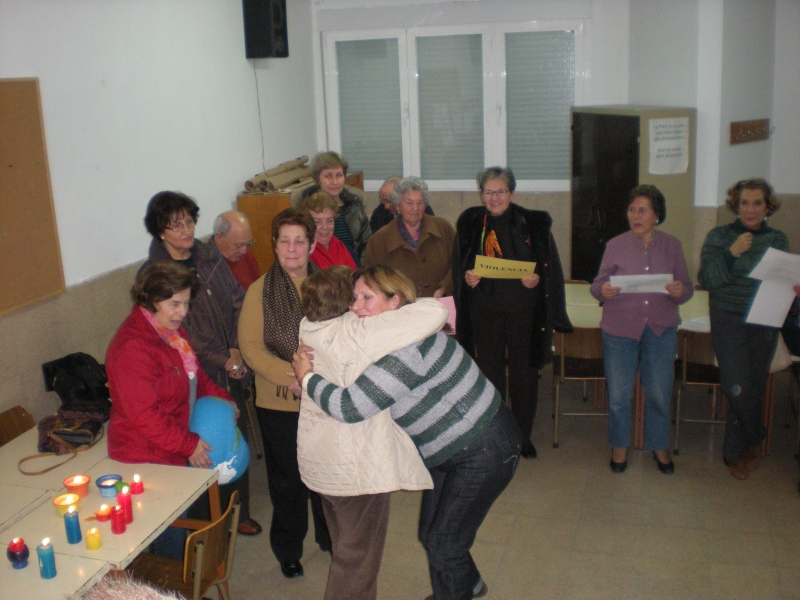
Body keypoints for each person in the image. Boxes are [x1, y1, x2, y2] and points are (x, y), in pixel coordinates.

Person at [293, 265, 523, 600]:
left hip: (484, 447)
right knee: (432, 533)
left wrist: (307, 378)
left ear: (395, 301)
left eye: (367, 297)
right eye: (354, 297)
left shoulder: (405, 350)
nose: (356, 306)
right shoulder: (383, 339)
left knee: (444, 543)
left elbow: (350, 406)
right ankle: (467, 584)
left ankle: (455, 592)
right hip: (450, 451)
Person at [297, 266, 448, 600]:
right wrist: (400, 304)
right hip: (355, 470)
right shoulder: (357, 332)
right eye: (355, 297)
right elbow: (436, 311)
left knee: (344, 547)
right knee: (357, 562)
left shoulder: (307, 327)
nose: (358, 305)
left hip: (320, 463)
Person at [142, 191, 261, 536]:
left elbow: (237, 299)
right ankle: (207, 525)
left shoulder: (208, 255)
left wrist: (237, 347)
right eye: (176, 225)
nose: (186, 230)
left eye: (189, 222)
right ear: (160, 231)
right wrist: (225, 359)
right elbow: (181, 330)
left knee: (233, 440)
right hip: (193, 374)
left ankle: (238, 512)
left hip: (230, 363)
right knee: (202, 449)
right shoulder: (156, 273)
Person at [106, 261, 235, 557]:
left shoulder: (170, 332)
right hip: (145, 458)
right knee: (169, 536)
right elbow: (145, 415)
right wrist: (188, 444)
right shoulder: (132, 347)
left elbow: (195, 378)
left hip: (171, 448)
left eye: (187, 303)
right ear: (151, 300)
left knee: (179, 525)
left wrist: (223, 400)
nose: (183, 312)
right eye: (175, 304)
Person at [453, 166, 572, 459]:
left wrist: (537, 279)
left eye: (501, 191)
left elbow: (549, 269)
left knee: (524, 375)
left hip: (523, 312)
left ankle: (522, 437)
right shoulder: (471, 224)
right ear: (481, 194)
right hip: (486, 312)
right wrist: (468, 279)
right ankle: (495, 435)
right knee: (490, 374)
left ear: (512, 194)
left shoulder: (532, 224)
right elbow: (459, 266)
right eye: (488, 192)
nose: (494, 198)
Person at [238, 207, 330, 578]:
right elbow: (251, 348)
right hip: (279, 401)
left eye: (299, 241)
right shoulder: (259, 291)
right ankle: (289, 549)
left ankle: (330, 536)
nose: (292, 249)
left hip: (324, 397)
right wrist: (292, 377)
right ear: (274, 245)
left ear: (311, 245)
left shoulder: (328, 285)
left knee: (325, 474)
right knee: (288, 481)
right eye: (285, 241)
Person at [590, 185, 693, 474]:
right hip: (620, 328)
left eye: (643, 210)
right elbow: (596, 285)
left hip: (660, 328)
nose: (636, 215)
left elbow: (687, 288)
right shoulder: (615, 244)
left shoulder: (672, 245)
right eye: (632, 210)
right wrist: (603, 290)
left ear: (656, 214)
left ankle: (658, 445)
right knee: (619, 395)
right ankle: (619, 445)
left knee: (659, 393)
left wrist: (679, 291)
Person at [698, 178, 796, 480]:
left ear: (767, 207)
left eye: (757, 203)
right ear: (736, 205)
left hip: (764, 319)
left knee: (752, 386)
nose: (750, 210)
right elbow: (708, 279)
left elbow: (783, 281)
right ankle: (756, 436)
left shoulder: (777, 239)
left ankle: (734, 452)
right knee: (736, 387)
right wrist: (732, 252)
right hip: (727, 318)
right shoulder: (719, 236)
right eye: (744, 203)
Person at [364, 176, 455, 298]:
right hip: (400, 307)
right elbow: (372, 278)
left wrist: (444, 287)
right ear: (398, 206)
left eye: (420, 203)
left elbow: (458, 264)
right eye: (409, 203)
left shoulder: (443, 228)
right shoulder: (379, 240)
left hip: (442, 303)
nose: (415, 208)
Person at [300, 151, 371, 257]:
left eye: (339, 175)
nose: (335, 182)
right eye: (328, 176)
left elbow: (367, 244)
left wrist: (362, 265)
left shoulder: (355, 204)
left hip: (353, 263)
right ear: (318, 179)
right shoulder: (306, 208)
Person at [299, 190, 358, 269]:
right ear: (307, 223)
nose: (325, 227)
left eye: (329, 220)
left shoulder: (346, 249)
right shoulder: (302, 255)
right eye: (317, 221)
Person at [212, 210, 260, 291]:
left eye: (248, 244)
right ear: (219, 238)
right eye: (238, 245)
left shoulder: (247, 256)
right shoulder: (207, 266)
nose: (244, 251)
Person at [370, 175, 434, 234]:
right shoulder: (379, 214)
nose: (386, 206)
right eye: (383, 201)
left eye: (389, 201)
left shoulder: (423, 210)